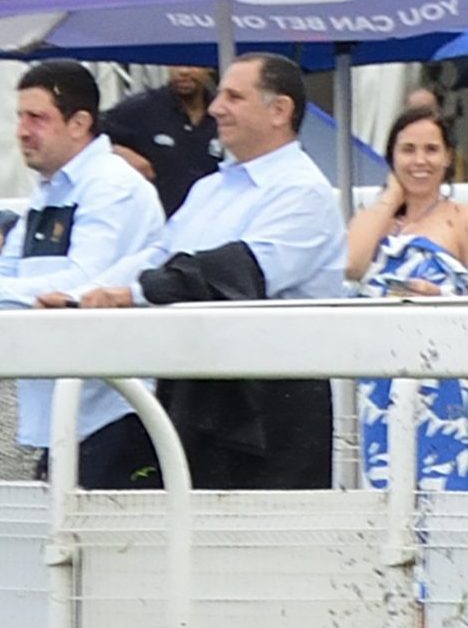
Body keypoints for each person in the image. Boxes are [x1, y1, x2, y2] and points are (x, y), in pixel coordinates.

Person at [61, 54, 345, 491]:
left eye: (234, 96)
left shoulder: (304, 193)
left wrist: (132, 294)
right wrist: (82, 294)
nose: (215, 108)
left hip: (271, 416)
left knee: (264, 551)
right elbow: (158, 254)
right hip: (196, 399)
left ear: (280, 111)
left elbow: (239, 273)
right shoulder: (210, 187)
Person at [2, 60, 166, 487]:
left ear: (79, 123)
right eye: (20, 117)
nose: (21, 130)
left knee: (106, 553)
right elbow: (10, 276)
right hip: (66, 417)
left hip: (112, 414)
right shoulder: (51, 190)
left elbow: (80, 281)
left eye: (36, 117)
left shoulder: (113, 186)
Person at [347, 106, 468, 492]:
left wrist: (443, 295)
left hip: (448, 378)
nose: (420, 161)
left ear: (448, 156)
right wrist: (391, 197)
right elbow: (352, 266)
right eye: (408, 150)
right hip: (381, 379)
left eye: (431, 150)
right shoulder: (374, 218)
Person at [98, 65, 221, 217]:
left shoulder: (223, 112)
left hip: (211, 222)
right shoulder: (141, 108)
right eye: (176, 64)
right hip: (156, 222)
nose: (183, 71)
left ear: (208, 68)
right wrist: (118, 151)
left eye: (192, 64)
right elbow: (91, 137)